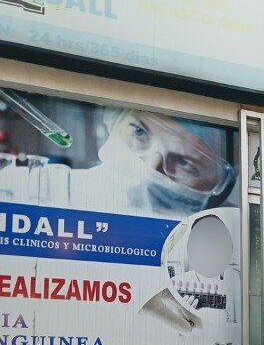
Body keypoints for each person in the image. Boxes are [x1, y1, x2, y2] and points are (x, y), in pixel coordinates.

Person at [66, 109, 237, 217]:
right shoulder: (59, 193)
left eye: (184, 162)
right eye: (139, 132)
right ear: (115, 121)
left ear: (220, 184)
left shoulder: (232, 233)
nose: (149, 171)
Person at [170, 214, 240, 323]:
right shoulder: (178, 283)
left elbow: (240, 324)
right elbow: (176, 330)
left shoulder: (234, 277)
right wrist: (187, 314)